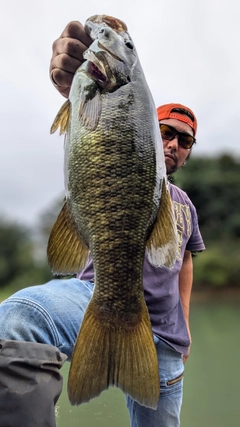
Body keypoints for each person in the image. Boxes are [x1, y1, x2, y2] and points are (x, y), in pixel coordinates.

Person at [0, 21, 205, 427]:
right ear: (148, 128)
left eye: (185, 141)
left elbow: (184, 262)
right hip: (91, 296)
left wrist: (186, 325)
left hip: (165, 334)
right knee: (18, 317)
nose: (173, 144)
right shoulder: (112, 101)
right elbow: (102, 113)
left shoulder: (185, 205)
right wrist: (81, 78)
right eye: (165, 132)